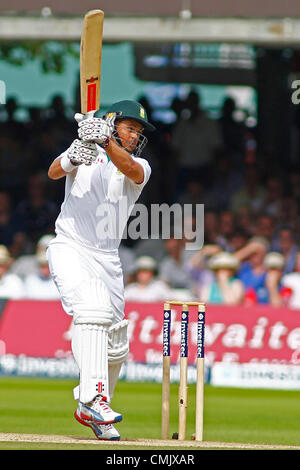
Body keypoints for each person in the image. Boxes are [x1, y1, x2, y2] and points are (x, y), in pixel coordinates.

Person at [47, 99, 154, 441]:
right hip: (70, 246)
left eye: (138, 131)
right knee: (91, 309)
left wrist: (107, 140)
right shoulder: (83, 148)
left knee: (116, 342)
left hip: (107, 257)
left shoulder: (139, 166)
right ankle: (93, 398)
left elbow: (131, 171)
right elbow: (53, 172)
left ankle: (95, 410)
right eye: (130, 128)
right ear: (111, 121)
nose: (135, 136)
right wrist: (75, 154)